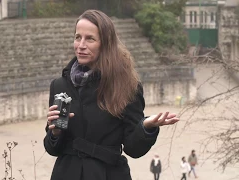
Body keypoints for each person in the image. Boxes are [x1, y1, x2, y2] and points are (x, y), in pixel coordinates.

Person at [43, 9, 179, 180]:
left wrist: (145, 127)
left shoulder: (127, 86)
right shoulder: (59, 85)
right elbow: (52, 149)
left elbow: (133, 149)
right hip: (67, 173)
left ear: (106, 44)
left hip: (108, 174)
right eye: (78, 37)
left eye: (90, 38)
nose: (81, 45)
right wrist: (54, 133)